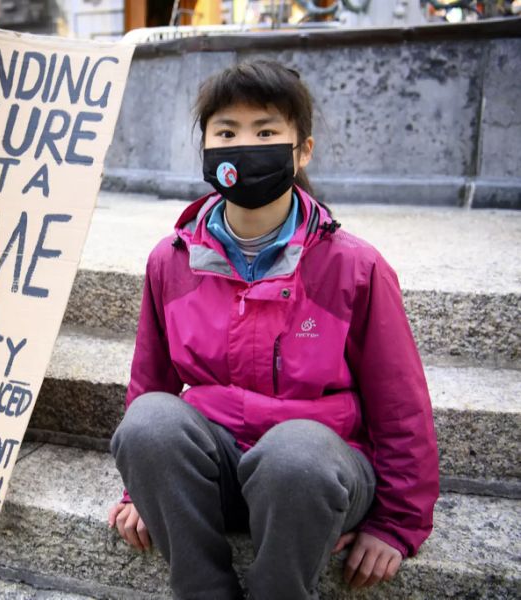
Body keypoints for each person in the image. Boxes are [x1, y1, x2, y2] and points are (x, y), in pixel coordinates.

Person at [107, 59, 439, 600]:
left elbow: (400, 405)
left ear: (301, 149)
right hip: (218, 470)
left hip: (316, 474)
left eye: (265, 131)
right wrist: (139, 489)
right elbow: (151, 385)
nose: (245, 144)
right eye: (227, 131)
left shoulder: (354, 267)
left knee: (296, 454)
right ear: (207, 148)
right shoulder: (170, 262)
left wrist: (396, 526)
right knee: (148, 423)